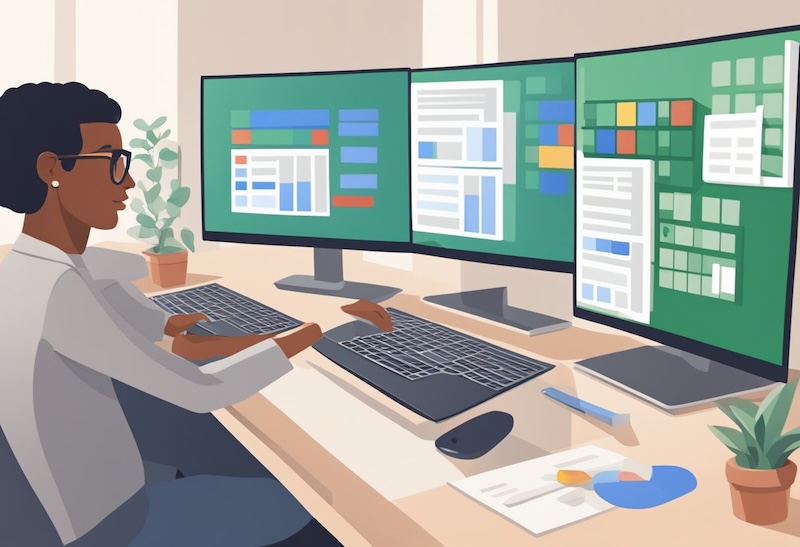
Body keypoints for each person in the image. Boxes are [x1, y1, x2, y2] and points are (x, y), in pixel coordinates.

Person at [0, 82, 337, 546]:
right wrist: (311, 334)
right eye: (113, 162)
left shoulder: (24, 268)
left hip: (87, 502)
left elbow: (116, 290)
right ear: (53, 169)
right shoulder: (60, 289)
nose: (130, 181)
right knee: (325, 506)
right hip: (117, 526)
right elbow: (201, 392)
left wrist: (161, 323)